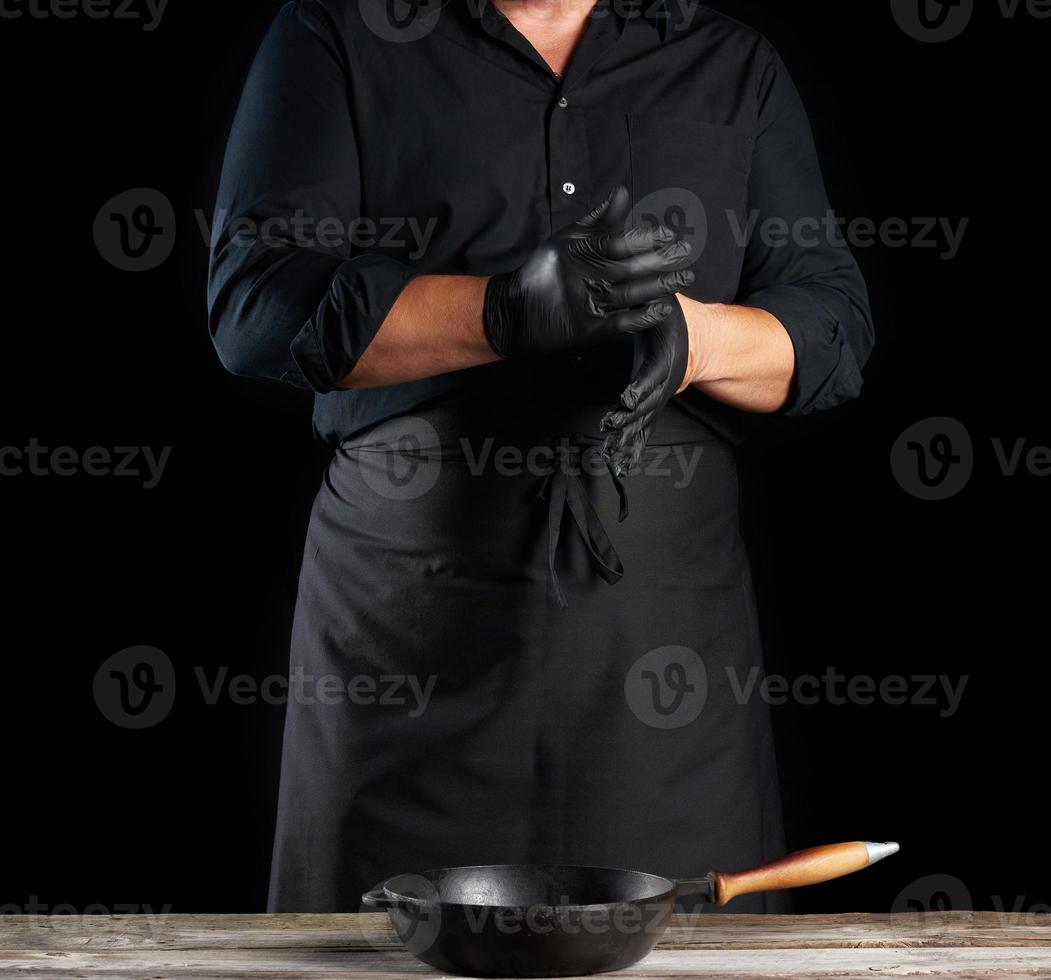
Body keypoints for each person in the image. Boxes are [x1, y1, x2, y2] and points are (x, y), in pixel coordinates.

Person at [208, 0, 874, 913]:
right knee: (376, 957)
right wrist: (500, 312)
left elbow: (834, 328)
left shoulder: (730, 61)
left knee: (677, 954)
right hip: (404, 619)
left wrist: (697, 339)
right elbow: (254, 311)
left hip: (665, 636)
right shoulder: (335, 36)